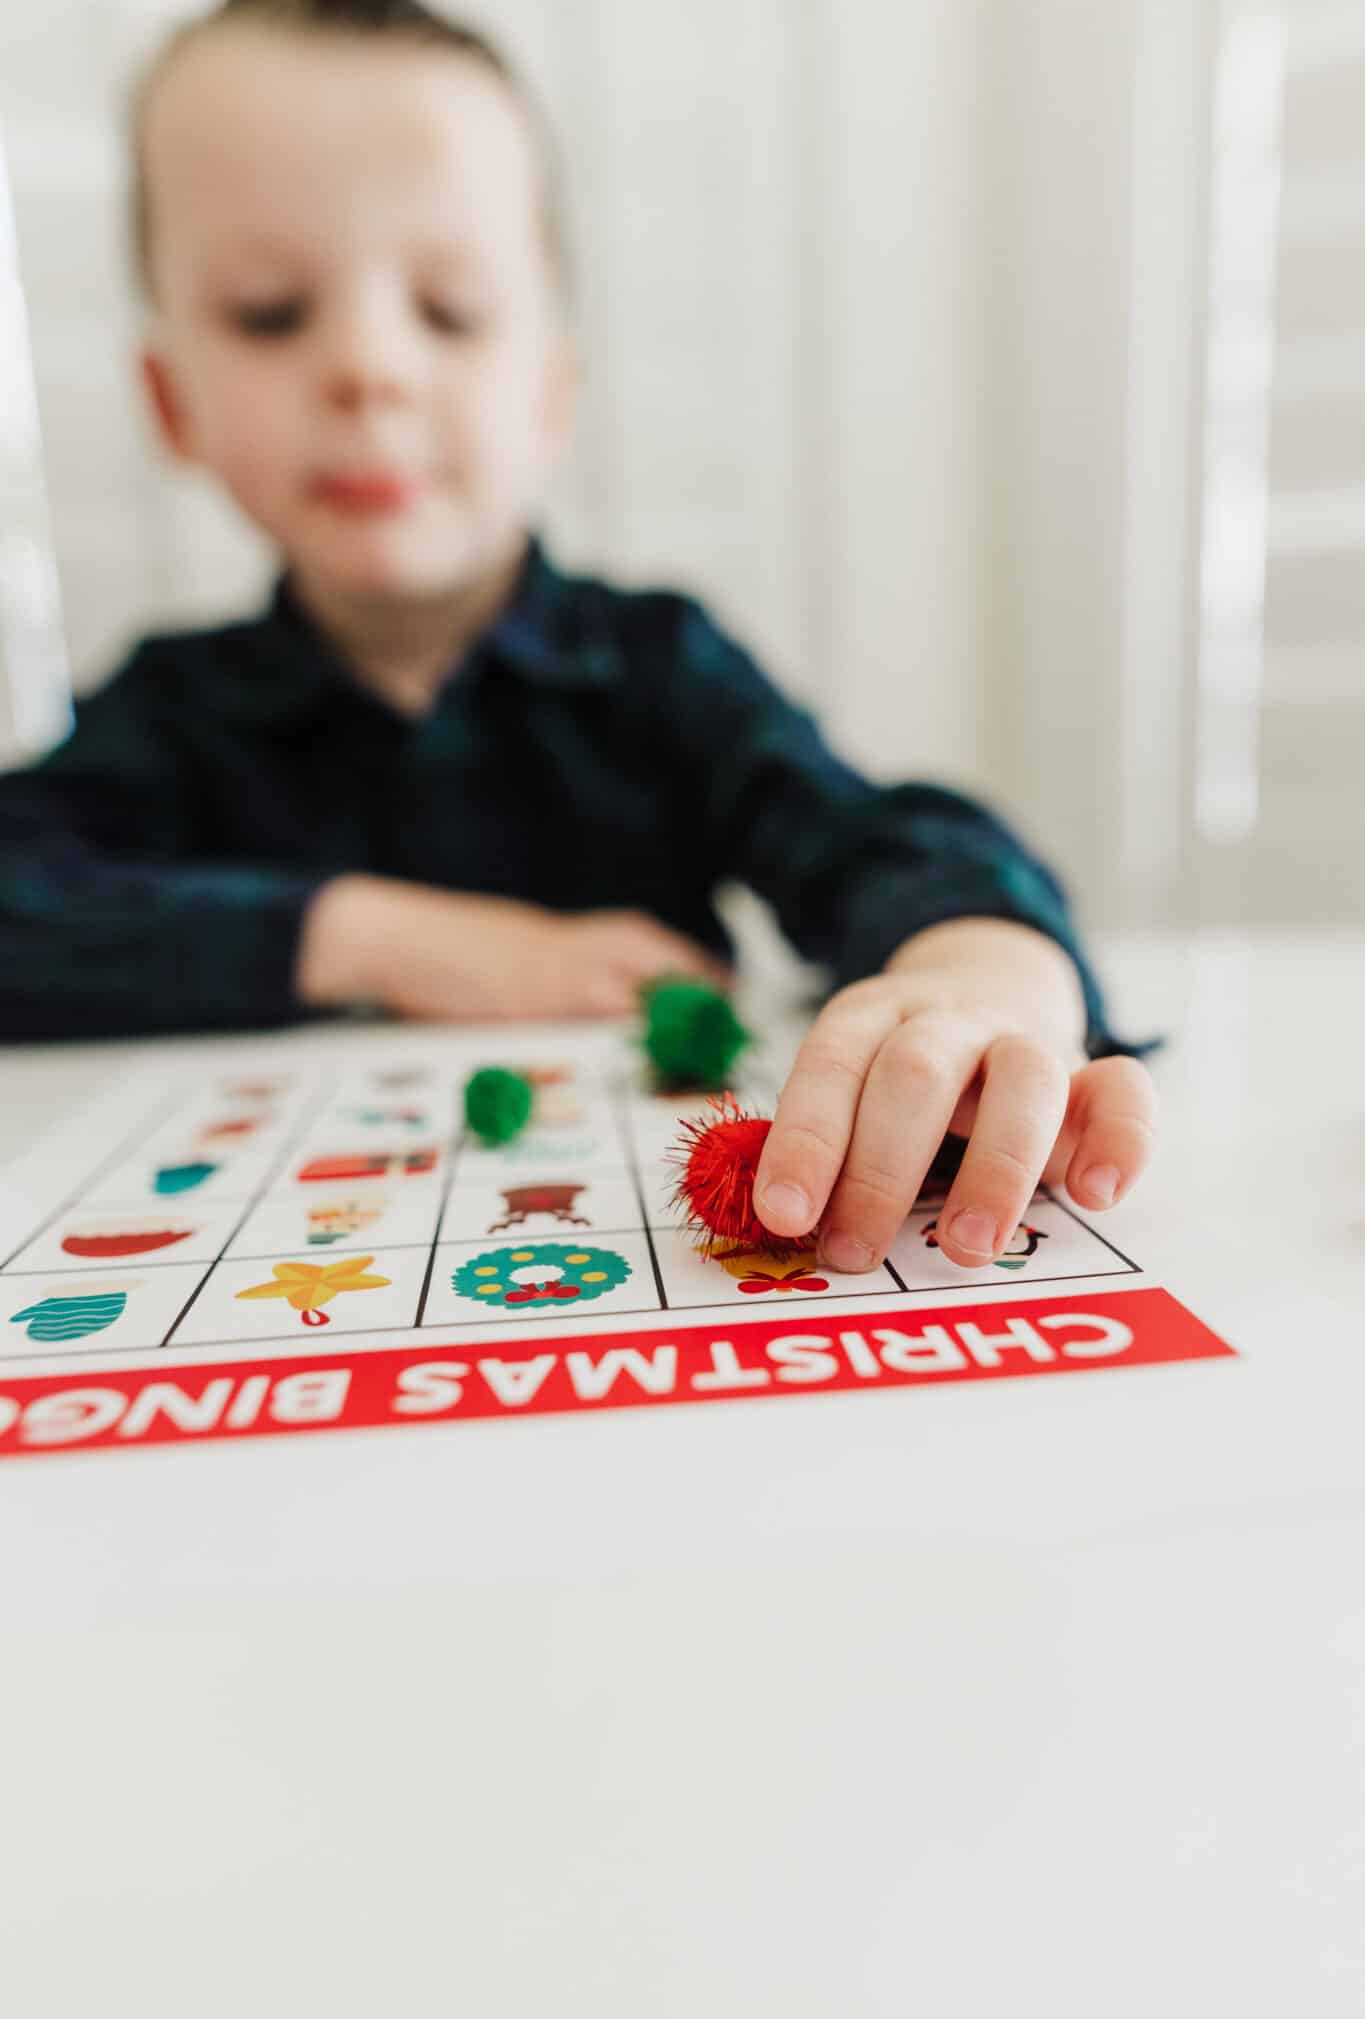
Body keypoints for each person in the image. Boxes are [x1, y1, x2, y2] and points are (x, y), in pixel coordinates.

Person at [0, 0, 1159, 1276]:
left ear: (551, 386)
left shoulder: (656, 664)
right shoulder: (173, 708)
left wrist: (986, 958)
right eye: (272, 313)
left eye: (450, 308)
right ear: (172, 401)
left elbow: (863, 832)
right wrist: (381, 935)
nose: (371, 368)